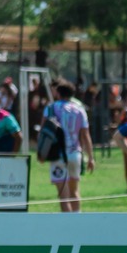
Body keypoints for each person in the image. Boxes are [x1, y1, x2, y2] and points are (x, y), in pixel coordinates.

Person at [43, 80, 95, 213]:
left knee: (63, 195)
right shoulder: (79, 109)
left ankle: (67, 225)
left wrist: (42, 152)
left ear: (58, 93)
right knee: (75, 191)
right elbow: (86, 135)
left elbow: (44, 131)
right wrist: (91, 157)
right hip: (75, 154)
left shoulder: (51, 108)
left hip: (57, 155)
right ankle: (77, 221)